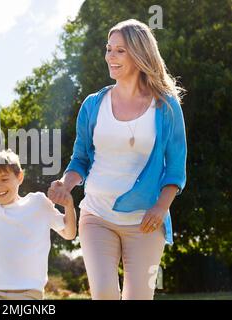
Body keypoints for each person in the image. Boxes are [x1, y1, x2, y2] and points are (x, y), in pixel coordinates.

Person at [48, 19, 187, 300]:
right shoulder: (92, 105)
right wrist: (66, 183)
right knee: (105, 295)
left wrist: (161, 207)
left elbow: (175, 166)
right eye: (109, 49)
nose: (110, 56)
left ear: (139, 53)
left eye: (120, 51)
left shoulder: (166, 106)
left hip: (146, 220)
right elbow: (81, 159)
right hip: (97, 215)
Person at [0, 113, 77, 300]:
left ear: (19, 177)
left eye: (4, 179)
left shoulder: (38, 203)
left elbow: (69, 233)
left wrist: (69, 206)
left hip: (29, 294)